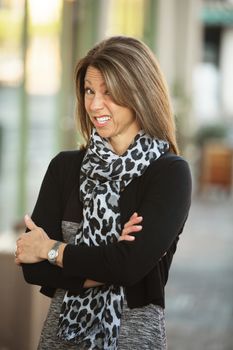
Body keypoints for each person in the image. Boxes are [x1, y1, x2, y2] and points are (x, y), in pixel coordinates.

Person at [15, 35, 192, 350]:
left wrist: (51, 250)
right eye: (89, 91)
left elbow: (127, 267)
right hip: (59, 340)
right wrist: (110, 262)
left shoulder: (169, 174)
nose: (95, 105)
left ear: (141, 93)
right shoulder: (65, 168)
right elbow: (33, 268)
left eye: (109, 92)